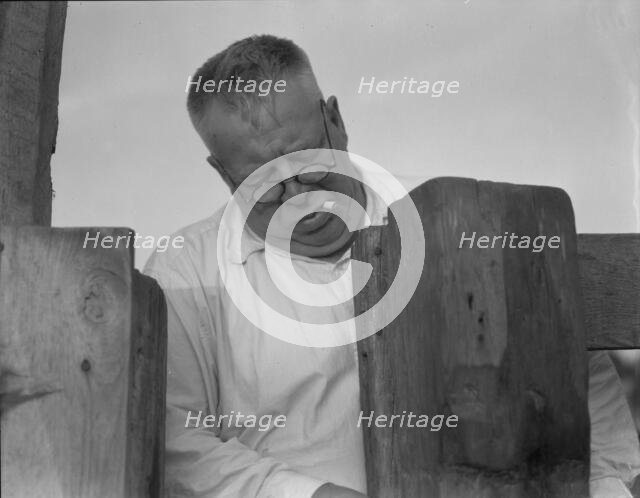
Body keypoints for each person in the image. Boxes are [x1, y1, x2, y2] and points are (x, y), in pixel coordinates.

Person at [144, 34, 640, 498]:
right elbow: (176, 441)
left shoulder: (468, 216)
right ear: (221, 173)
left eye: (309, 162)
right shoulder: (186, 271)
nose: (302, 199)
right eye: (264, 183)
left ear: (335, 120)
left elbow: (583, 394)